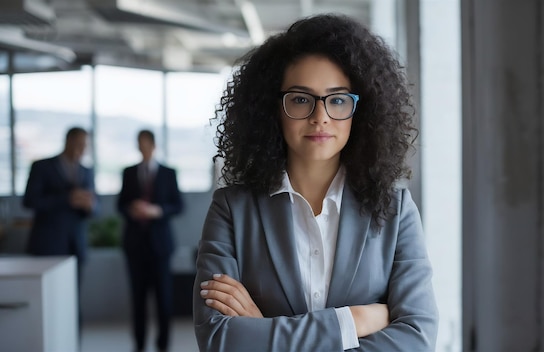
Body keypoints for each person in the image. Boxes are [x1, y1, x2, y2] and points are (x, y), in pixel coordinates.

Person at [193, 14, 438, 351]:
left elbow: (417, 339)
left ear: (360, 111)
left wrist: (263, 331)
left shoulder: (396, 212)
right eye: (300, 99)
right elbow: (219, 338)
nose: (319, 116)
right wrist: (353, 320)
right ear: (273, 108)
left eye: (337, 99)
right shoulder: (232, 211)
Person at [117, 129, 184, 352]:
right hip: (135, 245)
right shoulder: (128, 173)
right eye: (139, 144)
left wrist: (158, 211)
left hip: (161, 246)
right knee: (138, 300)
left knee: (164, 299)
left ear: (153, 146)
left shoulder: (168, 173)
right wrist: (131, 209)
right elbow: (120, 205)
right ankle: (138, 345)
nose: (142, 148)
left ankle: (163, 345)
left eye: (145, 144)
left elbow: (178, 205)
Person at [23, 126, 96, 276]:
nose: (82, 149)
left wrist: (89, 205)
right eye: (80, 144)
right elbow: (29, 201)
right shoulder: (42, 167)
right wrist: (67, 199)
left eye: (85, 146)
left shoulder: (87, 171)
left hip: (76, 244)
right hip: (48, 244)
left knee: (73, 295)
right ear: (69, 141)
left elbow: (96, 206)